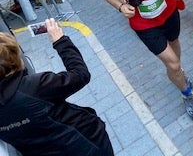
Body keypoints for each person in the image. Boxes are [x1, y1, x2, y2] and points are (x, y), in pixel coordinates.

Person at [0, 18, 114, 155]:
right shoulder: (33, 87)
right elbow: (80, 74)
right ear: (14, 61)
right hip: (88, 145)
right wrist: (60, 41)